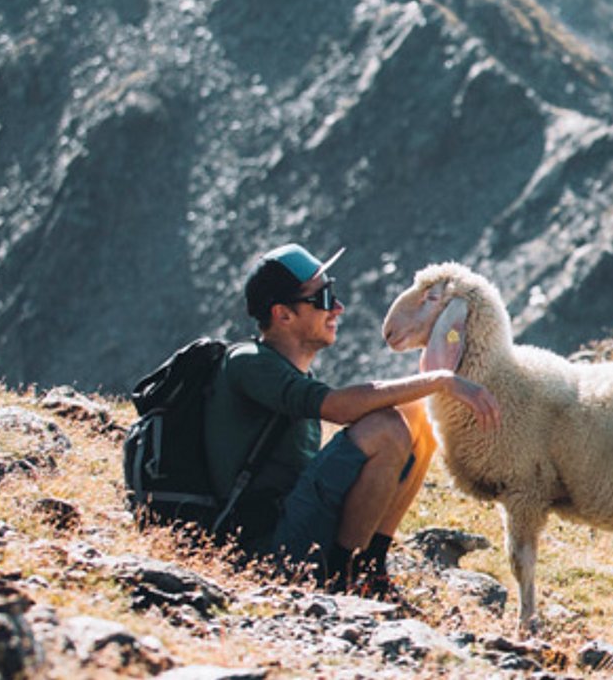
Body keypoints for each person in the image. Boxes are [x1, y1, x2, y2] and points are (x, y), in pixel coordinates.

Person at [202, 243, 499, 596]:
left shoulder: (281, 368)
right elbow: (339, 408)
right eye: (324, 298)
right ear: (283, 315)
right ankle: (345, 577)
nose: (338, 308)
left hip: (296, 521)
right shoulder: (249, 362)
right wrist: (440, 380)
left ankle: (370, 566)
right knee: (386, 429)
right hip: (264, 544)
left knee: (417, 417)